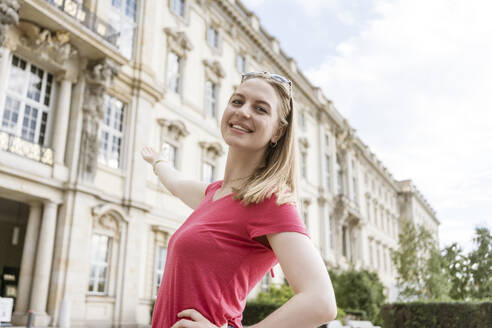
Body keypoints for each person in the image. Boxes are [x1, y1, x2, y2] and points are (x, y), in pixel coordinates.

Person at [141, 71, 337, 328]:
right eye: (237, 101)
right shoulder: (214, 194)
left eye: (260, 109)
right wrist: (158, 162)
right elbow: (176, 184)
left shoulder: (271, 201)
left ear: (278, 132)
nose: (243, 112)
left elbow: (321, 301)